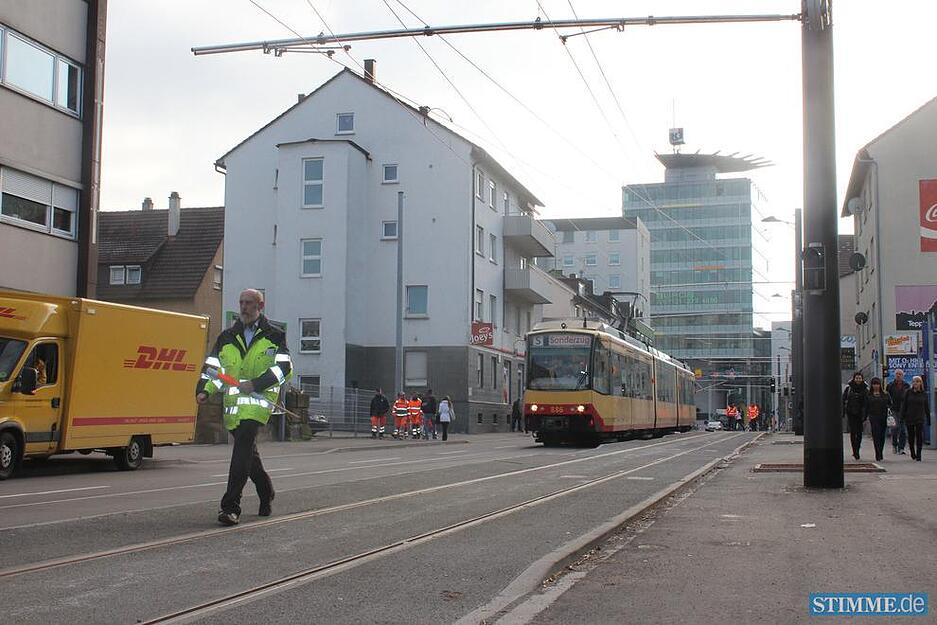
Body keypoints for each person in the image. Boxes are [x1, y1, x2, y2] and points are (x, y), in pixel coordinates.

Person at [197, 289, 291, 526]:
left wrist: (256, 383)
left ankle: (230, 507)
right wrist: (204, 389)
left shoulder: (274, 336)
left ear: (260, 305)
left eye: (249, 303)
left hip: (259, 404)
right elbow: (213, 370)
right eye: (241, 303)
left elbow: (283, 369)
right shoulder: (227, 336)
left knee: (242, 449)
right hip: (234, 407)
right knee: (248, 454)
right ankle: (266, 491)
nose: (244, 307)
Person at [901, 376, 930, 462]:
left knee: (919, 435)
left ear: (920, 383)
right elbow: (904, 405)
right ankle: (912, 452)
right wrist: (902, 417)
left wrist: (928, 418)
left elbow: (926, 407)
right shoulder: (908, 392)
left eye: (917, 382)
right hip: (909, 417)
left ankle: (919, 454)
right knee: (911, 436)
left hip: (919, 417)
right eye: (914, 382)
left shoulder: (923, 394)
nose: (915, 383)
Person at [842, 371, 868, 461]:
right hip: (851, 412)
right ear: (854, 378)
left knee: (859, 432)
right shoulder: (849, 388)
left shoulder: (865, 389)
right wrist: (843, 412)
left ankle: (857, 447)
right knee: (853, 432)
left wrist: (865, 414)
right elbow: (843, 400)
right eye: (856, 378)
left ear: (862, 379)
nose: (858, 380)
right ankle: (855, 451)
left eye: (859, 378)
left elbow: (866, 403)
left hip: (861, 413)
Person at [866, 377, 891, 462]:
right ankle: (878, 453)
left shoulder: (885, 394)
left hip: (883, 417)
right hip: (873, 417)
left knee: (882, 435)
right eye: (874, 384)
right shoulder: (869, 395)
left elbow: (890, 404)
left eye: (877, 384)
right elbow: (866, 406)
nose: (876, 386)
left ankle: (880, 451)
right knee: (876, 435)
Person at [886, 369, 910, 454]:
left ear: (903, 375)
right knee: (895, 428)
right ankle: (894, 445)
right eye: (897, 374)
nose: (898, 375)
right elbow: (887, 397)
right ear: (895, 375)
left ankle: (901, 448)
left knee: (903, 429)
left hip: (903, 410)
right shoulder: (890, 385)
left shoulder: (906, 386)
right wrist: (888, 407)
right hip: (894, 409)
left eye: (900, 374)